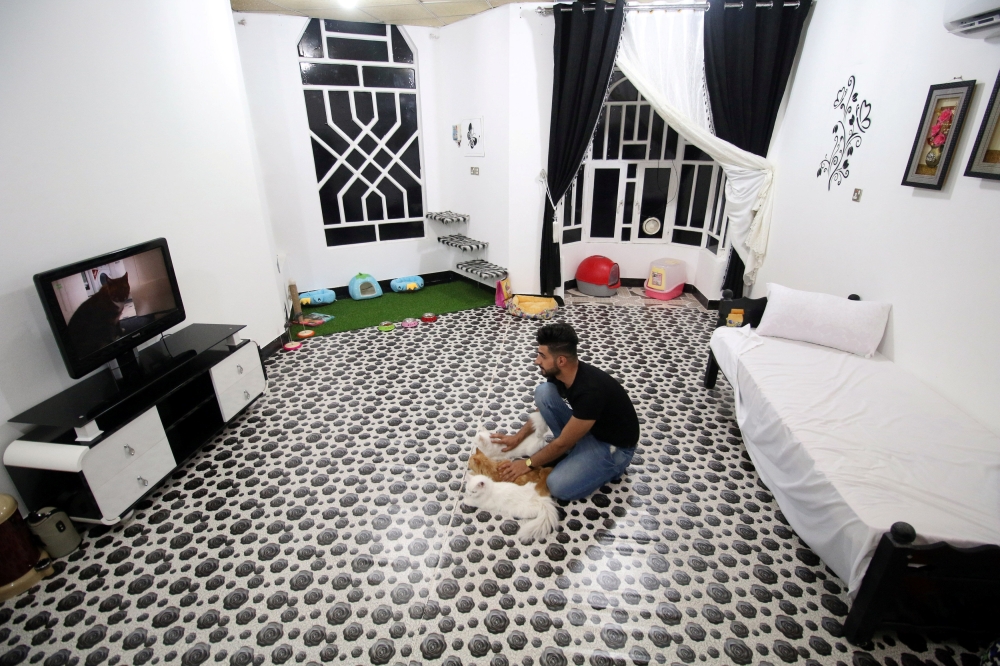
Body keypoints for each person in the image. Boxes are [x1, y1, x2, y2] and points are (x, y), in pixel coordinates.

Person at [491, 322, 639, 501]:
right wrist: (518, 437)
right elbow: (542, 410)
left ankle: (609, 468)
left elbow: (562, 443)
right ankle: (576, 453)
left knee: (558, 486)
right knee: (544, 392)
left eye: (542, 356)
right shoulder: (561, 374)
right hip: (587, 431)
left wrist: (527, 464)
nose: (537, 361)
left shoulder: (590, 392)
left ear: (561, 360)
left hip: (613, 448)